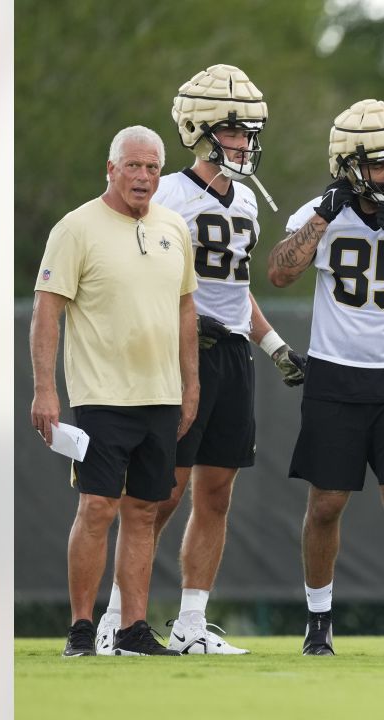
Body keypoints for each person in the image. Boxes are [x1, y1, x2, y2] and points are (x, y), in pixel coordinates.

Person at [92, 64, 307, 657]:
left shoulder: (245, 204)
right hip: (180, 352)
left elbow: (235, 290)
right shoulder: (167, 194)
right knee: (162, 494)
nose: (245, 142)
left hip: (233, 352)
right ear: (202, 130)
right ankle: (118, 617)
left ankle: (190, 623)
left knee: (217, 492)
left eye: (249, 131)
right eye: (235, 131)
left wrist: (274, 346)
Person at [267, 99, 384, 658]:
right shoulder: (319, 213)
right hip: (336, 373)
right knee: (326, 503)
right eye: (381, 164)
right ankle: (319, 620)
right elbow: (279, 273)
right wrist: (322, 218)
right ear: (349, 166)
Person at [30, 126, 197, 657]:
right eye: (133, 166)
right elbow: (46, 312)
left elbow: (186, 309)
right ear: (111, 168)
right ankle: (82, 629)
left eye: (152, 168)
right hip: (101, 396)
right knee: (99, 506)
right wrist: (45, 390)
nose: (143, 177)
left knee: (145, 511)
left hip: (161, 395)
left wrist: (191, 386)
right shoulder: (76, 228)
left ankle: (133, 630)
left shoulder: (174, 227)